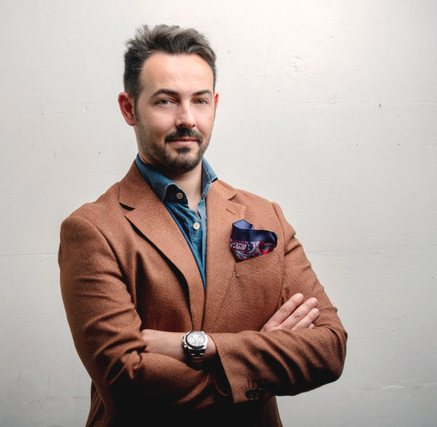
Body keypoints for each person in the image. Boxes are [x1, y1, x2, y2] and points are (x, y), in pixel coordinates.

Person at [59, 24, 347, 426]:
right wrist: (261, 361)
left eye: (199, 100)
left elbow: (329, 350)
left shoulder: (266, 216)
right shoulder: (93, 230)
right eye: (165, 101)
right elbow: (126, 386)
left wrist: (202, 346)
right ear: (129, 109)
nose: (187, 119)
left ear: (215, 104)